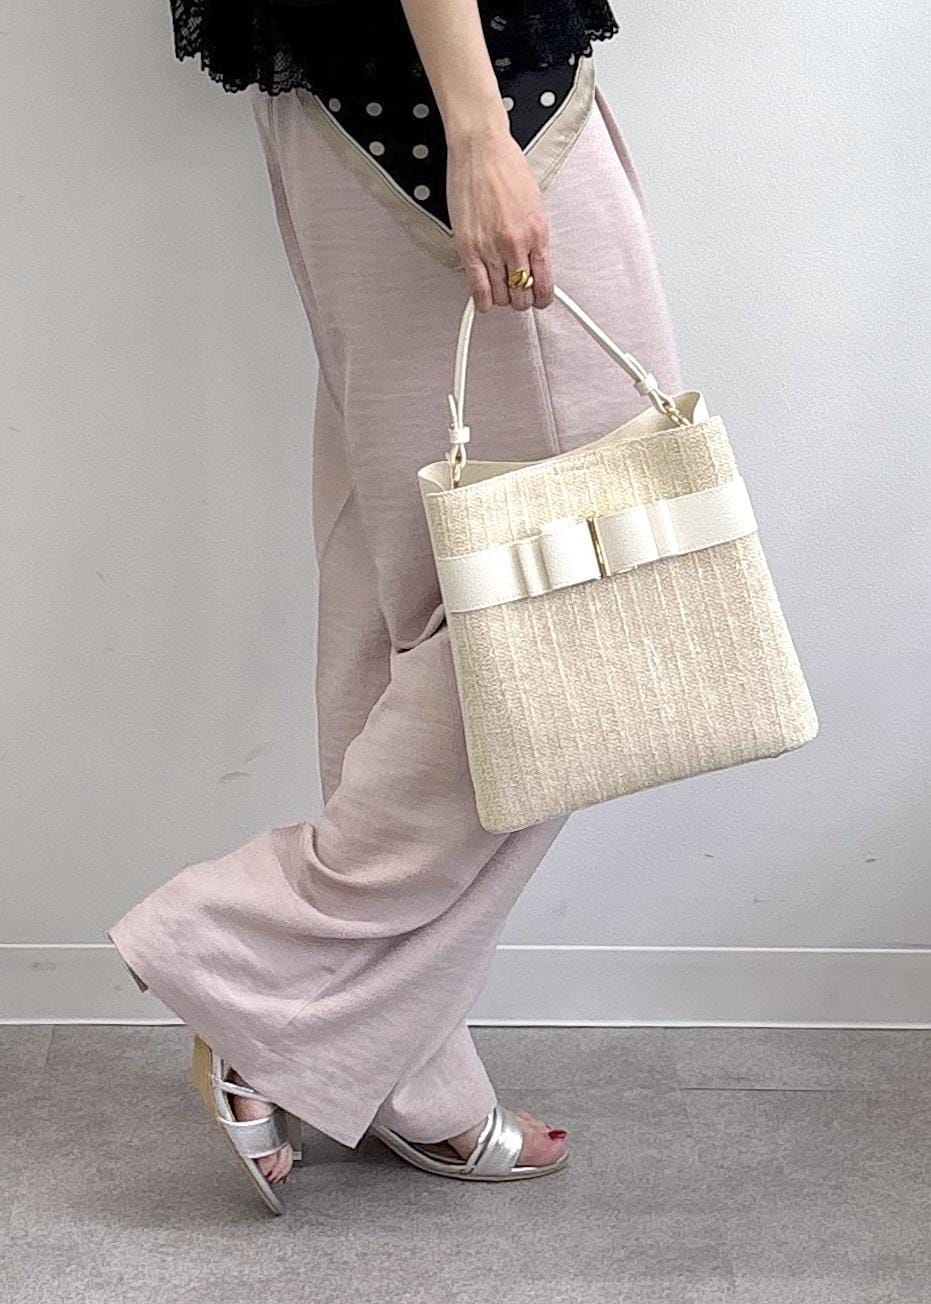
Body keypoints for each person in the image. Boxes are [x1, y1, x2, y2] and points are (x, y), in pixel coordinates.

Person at [109, 0, 684, 1215]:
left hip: (361, 95)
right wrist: (477, 135)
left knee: (406, 586)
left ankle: (397, 1068)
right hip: (455, 105)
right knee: (591, 584)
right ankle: (249, 961)